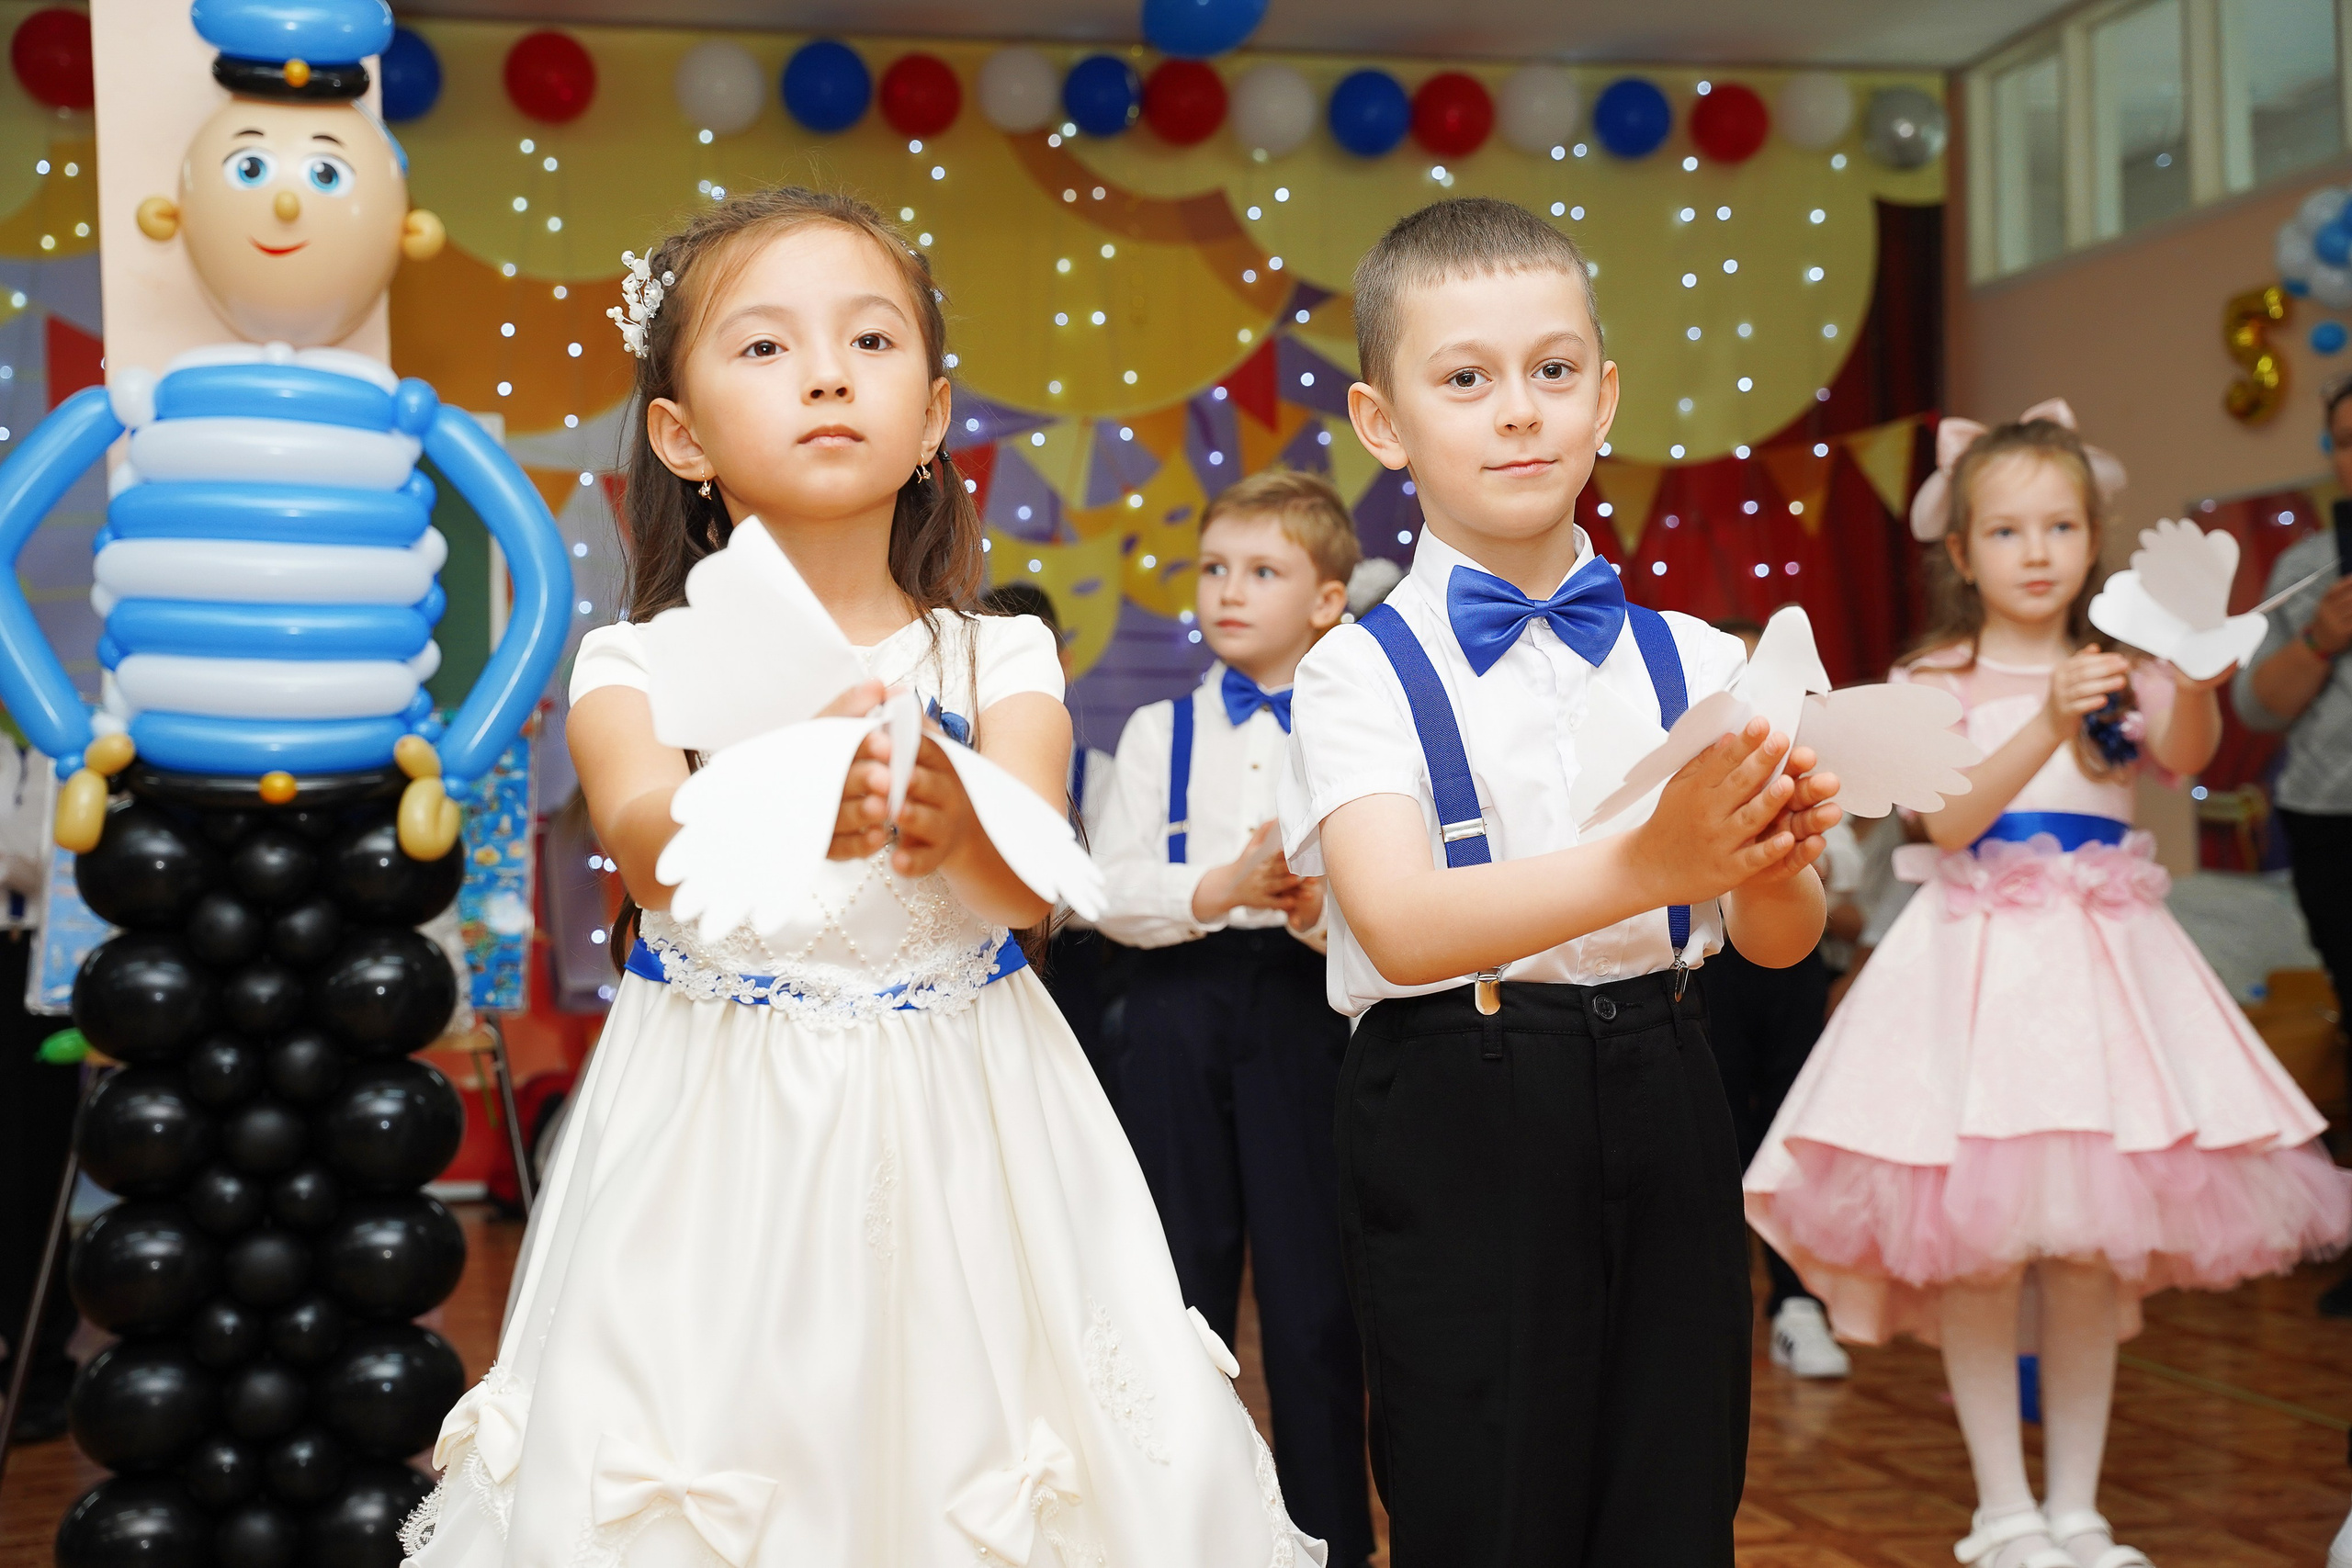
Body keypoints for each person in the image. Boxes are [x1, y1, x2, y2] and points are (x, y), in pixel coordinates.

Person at [400, 188, 1323, 1567]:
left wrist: (956, 821)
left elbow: (1029, 877)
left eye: (871, 340)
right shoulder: (637, 663)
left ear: (937, 412)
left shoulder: (996, 657)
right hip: (719, 1116)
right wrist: (779, 789)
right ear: (680, 432)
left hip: (971, 1111)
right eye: (765, 348)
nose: (828, 372)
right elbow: (649, 835)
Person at [1280, 196, 1841, 1568]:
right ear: (1382, 421)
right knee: (1483, 1493)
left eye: (1553, 370)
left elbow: (1779, 942)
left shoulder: (1709, 661)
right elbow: (1402, 926)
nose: (1518, 411)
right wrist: (1651, 860)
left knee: (1674, 1486)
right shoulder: (1355, 671)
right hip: (1451, 1093)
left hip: (1667, 1075)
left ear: (1606, 397)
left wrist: (1769, 861)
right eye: (1465, 379)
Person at [1746, 408, 2352, 1568]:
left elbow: (2183, 753)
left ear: (2092, 539)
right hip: (1974, 977)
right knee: (1979, 1253)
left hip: (2105, 981)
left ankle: (2076, 1507)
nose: (2037, 550)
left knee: (2085, 1258)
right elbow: (1951, 812)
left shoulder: (2123, 663)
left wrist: (2192, 667)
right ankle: (1999, 1511)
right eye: (2008, 529)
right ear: (1961, 553)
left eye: (2062, 525)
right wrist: (2047, 716)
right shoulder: (1934, 673)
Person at [1091, 468, 1374, 1568]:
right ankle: (1181, 1539)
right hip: (1173, 1010)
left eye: (1262, 572)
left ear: (1327, 600)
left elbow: (1394, 896)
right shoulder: (1158, 731)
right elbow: (1103, 890)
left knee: (1314, 1307)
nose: (1228, 591)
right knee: (1175, 1297)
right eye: (1214, 570)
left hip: (1309, 1014)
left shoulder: (1358, 730)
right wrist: (1214, 891)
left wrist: (1311, 914)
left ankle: (1331, 1542)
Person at [1698, 617, 1862, 1382]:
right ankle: (1712, 1303)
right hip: (1708, 976)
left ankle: (1799, 1302)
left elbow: (1849, 894)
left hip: (1794, 976)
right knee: (1713, 1131)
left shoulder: (1812, 774)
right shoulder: (1689, 780)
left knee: (1789, 1129)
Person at [2233, 377, 2352, 1319]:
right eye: (2345, 439)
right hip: (2328, 816)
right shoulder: (2308, 566)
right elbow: (2254, 705)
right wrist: (2317, 636)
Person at [977, 580, 1130, 1082]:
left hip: (1072, 969)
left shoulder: (1102, 772)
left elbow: (1106, 885)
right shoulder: (956, 761)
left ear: (1061, 662)